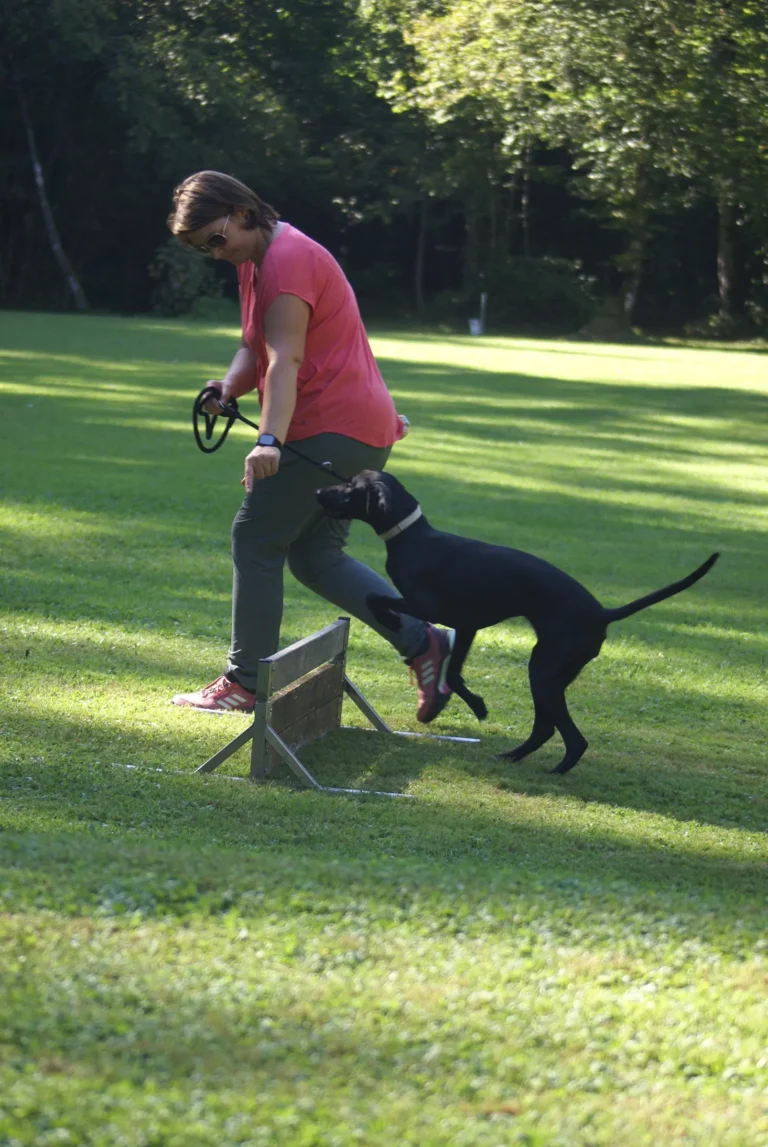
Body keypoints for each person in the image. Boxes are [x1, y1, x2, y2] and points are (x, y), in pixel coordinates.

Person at [166, 170, 454, 721]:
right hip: (360, 428)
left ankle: (246, 680)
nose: (216, 253)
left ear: (242, 213)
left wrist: (269, 440)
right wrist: (227, 388)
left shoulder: (286, 261)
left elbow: (287, 361)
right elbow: (256, 347)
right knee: (316, 556)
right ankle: (423, 641)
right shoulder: (261, 260)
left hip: (330, 428)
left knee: (255, 538)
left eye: (216, 239)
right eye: (205, 249)